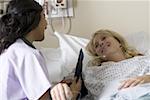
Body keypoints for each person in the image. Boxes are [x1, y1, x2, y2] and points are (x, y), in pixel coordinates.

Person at [0, 0, 80, 99]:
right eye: (44, 17)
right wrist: (73, 92)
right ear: (34, 20)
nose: (46, 24)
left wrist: (55, 90)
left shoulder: (11, 48)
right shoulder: (28, 54)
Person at [82, 29, 150, 100]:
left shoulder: (142, 60)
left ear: (119, 42)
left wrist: (147, 78)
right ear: (98, 54)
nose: (101, 43)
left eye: (104, 38)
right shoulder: (95, 71)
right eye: (96, 45)